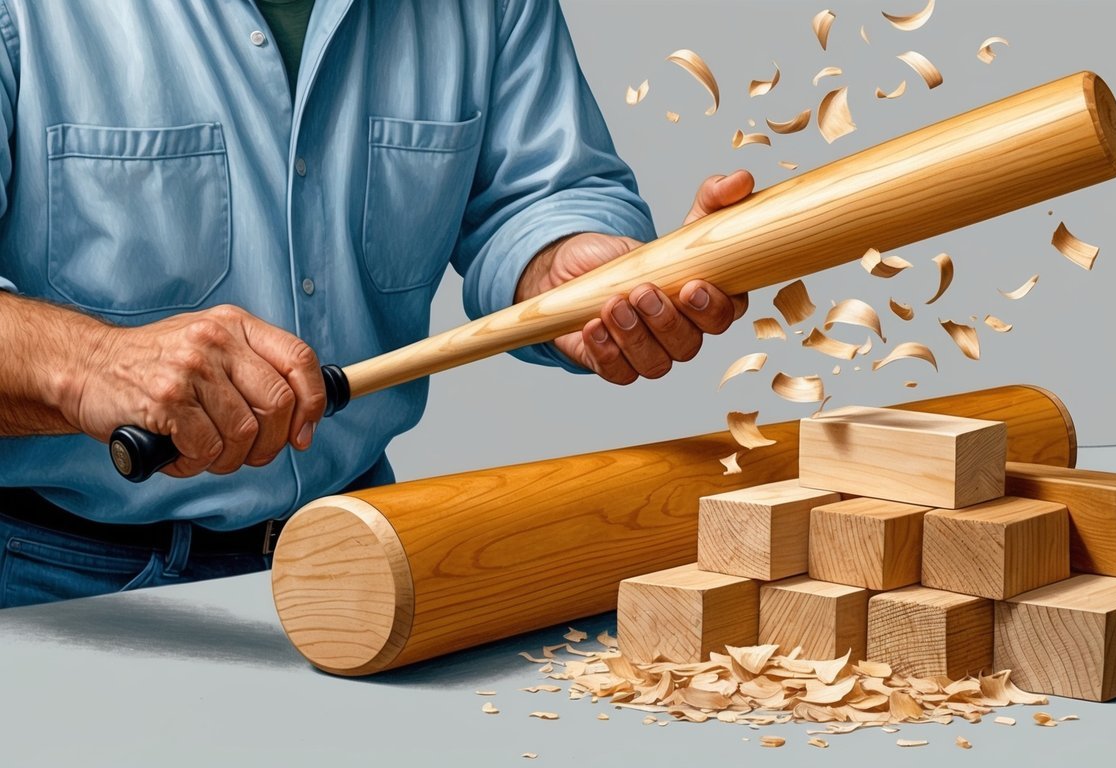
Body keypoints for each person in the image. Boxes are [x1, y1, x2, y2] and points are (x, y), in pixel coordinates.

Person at [0, 0, 751, 609]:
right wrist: (89, 364)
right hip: (51, 573)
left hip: (360, 554)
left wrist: (564, 269)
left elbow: (543, 194)